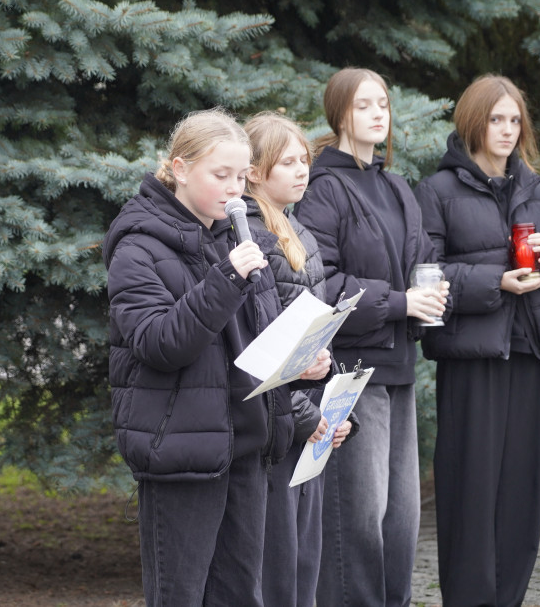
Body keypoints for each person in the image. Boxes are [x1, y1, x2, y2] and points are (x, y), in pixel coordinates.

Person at [102, 107, 332, 607]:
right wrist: (226, 279)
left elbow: (258, 340)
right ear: (180, 169)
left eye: (240, 176)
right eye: (219, 175)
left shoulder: (238, 235)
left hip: (245, 450)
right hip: (182, 454)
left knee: (238, 596)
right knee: (181, 596)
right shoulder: (138, 244)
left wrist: (302, 365)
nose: (234, 189)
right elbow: (159, 343)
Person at [413, 74, 540, 606]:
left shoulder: (536, 189)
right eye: (495, 119)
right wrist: (493, 282)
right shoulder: (438, 191)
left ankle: (510, 598)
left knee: (519, 492)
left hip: (524, 348)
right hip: (470, 356)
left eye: (514, 120)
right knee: (471, 492)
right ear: (472, 122)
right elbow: (424, 272)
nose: (506, 130)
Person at [294, 68, 445, 607]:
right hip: (350, 374)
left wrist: (431, 287)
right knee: (356, 519)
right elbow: (321, 285)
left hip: (399, 365)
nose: (378, 113)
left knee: (400, 519)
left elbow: (422, 261)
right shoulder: (323, 189)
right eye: (364, 105)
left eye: (383, 103)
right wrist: (400, 301)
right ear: (339, 114)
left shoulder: (395, 185)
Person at [242, 111, 357, 607]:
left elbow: (314, 333)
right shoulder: (249, 236)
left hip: (307, 420)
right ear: (254, 171)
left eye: (303, 160)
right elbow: (261, 345)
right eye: (286, 162)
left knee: (304, 562)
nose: (301, 170)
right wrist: (310, 416)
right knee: (278, 568)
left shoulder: (298, 229)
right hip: (278, 425)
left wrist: (333, 411)